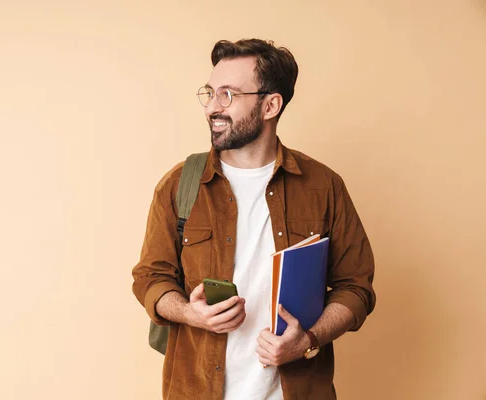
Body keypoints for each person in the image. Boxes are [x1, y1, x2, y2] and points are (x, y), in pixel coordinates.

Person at [131, 38, 376, 400]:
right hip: (196, 389)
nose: (212, 107)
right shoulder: (180, 185)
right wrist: (189, 313)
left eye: (228, 95)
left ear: (270, 105)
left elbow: (355, 287)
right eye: (210, 93)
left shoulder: (324, 186)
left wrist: (307, 340)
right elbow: (150, 277)